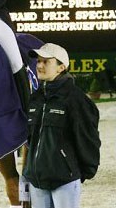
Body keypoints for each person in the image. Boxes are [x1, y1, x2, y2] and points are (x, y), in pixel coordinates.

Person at [22, 43, 101, 208]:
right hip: (37, 182)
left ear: (61, 67)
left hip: (64, 181)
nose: (40, 65)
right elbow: (30, 141)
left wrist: (78, 173)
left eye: (46, 62)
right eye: (38, 61)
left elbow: (88, 140)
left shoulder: (76, 100)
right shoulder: (35, 98)